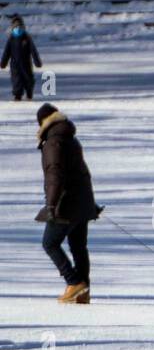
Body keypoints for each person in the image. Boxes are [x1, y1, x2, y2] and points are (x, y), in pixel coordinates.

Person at [36, 103, 100, 305]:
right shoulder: (71, 140)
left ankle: (74, 283)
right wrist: (90, 203)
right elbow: (83, 174)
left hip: (66, 204)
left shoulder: (53, 143)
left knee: (50, 243)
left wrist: (52, 205)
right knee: (78, 246)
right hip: (82, 202)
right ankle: (83, 290)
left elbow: (55, 175)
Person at [2, 15, 43, 102]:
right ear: (13, 28)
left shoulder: (27, 38)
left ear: (23, 27)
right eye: (16, 26)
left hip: (26, 64)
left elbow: (33, 51)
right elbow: (7, 52)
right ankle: (17, 95)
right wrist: (3, 63)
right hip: (15, 64)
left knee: (28, 79)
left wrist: (37, 62)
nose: (18, 28)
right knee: (16, 80)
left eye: (19, 26)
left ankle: (29, 93)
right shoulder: (11, 39)